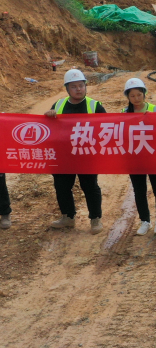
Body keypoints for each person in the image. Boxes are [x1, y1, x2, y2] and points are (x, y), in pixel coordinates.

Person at [44, 69, 106, 234]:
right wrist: (49, 116)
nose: (79, 89)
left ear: (86, 86)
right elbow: (47, 129)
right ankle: (68, 217)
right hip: (64, 155)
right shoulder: (59, 105)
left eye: (81, 85)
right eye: (74, 87)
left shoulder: (95, 106)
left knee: (90, 186)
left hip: (87, 155)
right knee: (62, 186)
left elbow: (107, 128)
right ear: (67, 89)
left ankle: (95, 219)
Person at [122, 78, 156, 236]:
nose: (136, 98)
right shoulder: (124, 113)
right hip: (135, 158)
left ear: (144, 94)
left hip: (154, 157)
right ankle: (145, 221)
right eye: (132, 96)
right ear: (128, 97)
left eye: (139, 95)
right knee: (139, 190)